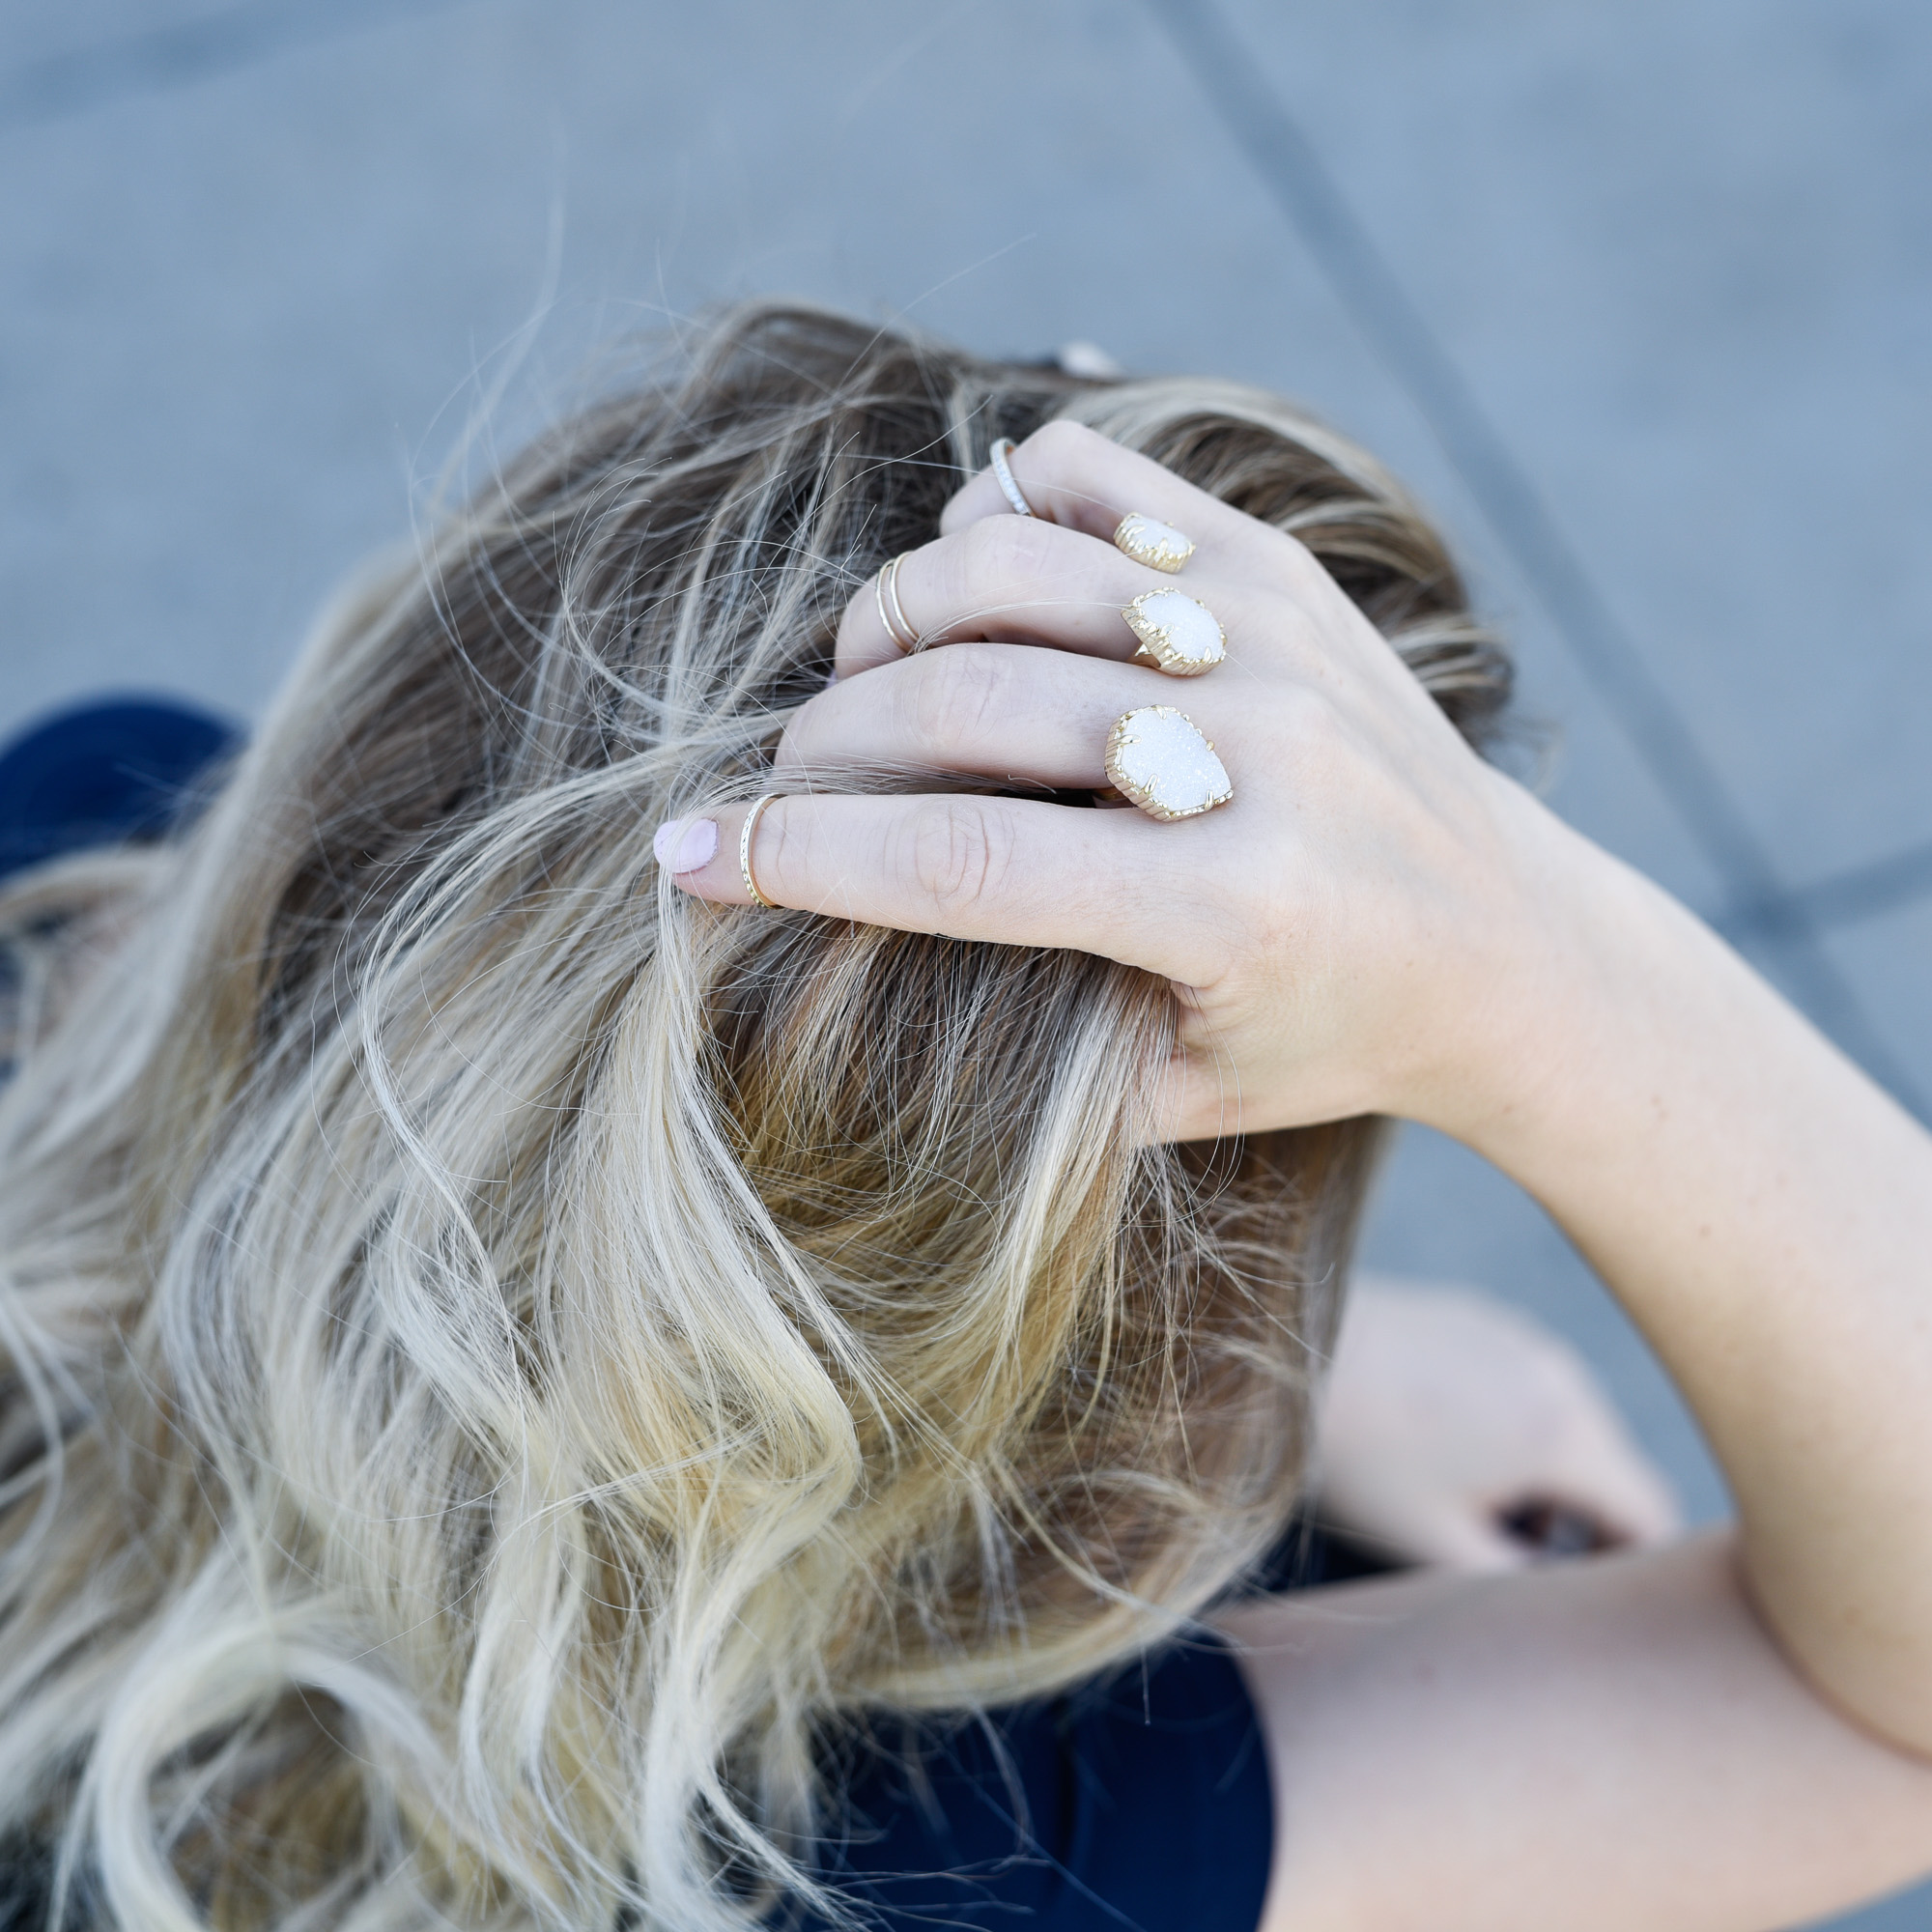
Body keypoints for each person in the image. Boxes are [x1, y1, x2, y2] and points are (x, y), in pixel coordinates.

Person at [0, 302, 1927, 1932]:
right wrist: (1548, 986)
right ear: (1111, 1429)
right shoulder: (929, 1850)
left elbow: (483, 1175)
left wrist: (1346, 1376)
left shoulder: (88, 838)